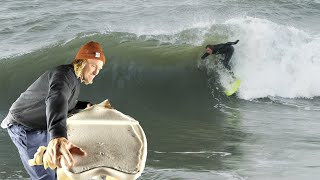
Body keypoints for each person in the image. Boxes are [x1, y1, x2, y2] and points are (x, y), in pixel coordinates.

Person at [1, 41, 106, 179]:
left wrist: (86, 106)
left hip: (41, 126)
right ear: (82, 62)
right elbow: (57, 98)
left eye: (99, 68)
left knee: (59, 169)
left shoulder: (73, 79)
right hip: (24, 127)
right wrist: (58, 135)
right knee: (46, 177)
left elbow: (66, 103)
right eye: (93, 65)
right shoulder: (64, 75)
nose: (96, 72)